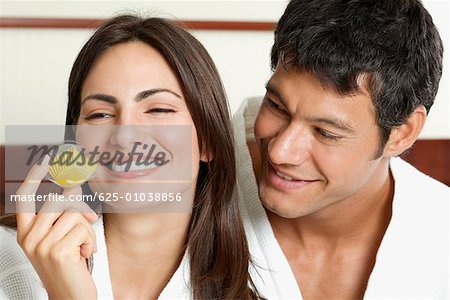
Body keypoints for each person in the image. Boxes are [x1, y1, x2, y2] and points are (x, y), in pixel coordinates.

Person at [0, 15, 259, 299]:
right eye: (100, 114)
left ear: (208, 141)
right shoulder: (8, 262)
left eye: (159, 109)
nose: (124, 137)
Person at [235, 0, 449, 298]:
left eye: (326, 132)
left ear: (402, 133)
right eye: (276, 106)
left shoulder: (442, 236)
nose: (280, 152)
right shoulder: (186, 184)